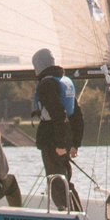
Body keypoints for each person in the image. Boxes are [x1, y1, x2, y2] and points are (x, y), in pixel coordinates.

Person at [31, 48, 85, 210]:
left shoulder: (46, 84)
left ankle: (68, 217)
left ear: (39, 65)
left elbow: (59, 115)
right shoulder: (63, 81)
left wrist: (60, 145)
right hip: (65, 138)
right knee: (65, 180)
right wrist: (75, 143)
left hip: (53, 140)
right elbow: (77, 115)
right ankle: (78, 214)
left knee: (56, 181)